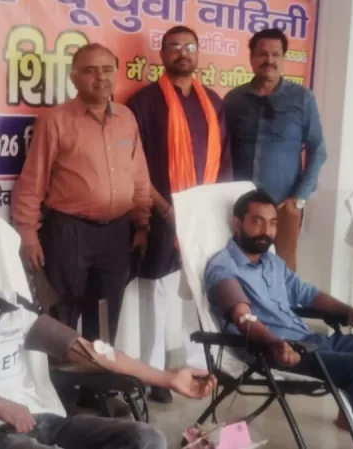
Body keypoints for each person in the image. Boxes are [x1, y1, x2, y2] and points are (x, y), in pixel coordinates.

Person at [0, 220, 215, 449]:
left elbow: (93, 352)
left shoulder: (13, 310)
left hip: (41, 422)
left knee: (147, 439)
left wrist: (167, 378)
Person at [204, 190, 353, 449]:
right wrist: (274, 344)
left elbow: (309, 295)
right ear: (237, 223)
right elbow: (243, 318)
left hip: (311, 341)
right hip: (274, 351)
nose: (266, 231)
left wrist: (348, 311)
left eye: (272, 223)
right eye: (257, 221)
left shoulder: (272, 263)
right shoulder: (223, 267)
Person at [12, 44, 151, 411]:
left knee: (105, 316)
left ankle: (99, 391)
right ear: (74, 77)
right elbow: (32, 181)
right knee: (63, 314)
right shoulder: (56, 120)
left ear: (115, 73)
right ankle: (60, 397)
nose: (100, 77)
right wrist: (28, 233)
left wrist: (142, 221)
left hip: (117, 233)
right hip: (68, 231)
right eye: (90, 70)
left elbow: (139, 176)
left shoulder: (126, 118)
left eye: (106, 69)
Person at [124, 26, 231, 403]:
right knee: (156, 292)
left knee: (201, 290)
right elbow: (135, 166)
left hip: (203, 215)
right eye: (174, 47)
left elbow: (225, 161)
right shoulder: (143, 102)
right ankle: (155, 374)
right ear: (162, 54)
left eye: (189, 46)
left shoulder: (213, 102)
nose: (182, 53)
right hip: (161, 215)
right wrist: (164, 208)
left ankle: (198, 364)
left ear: (197, 53)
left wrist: (217, 211)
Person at [223, 28, 327, 271]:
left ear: (283, 58)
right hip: (242, 203)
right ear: (251, 58)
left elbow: (318, 149)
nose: (269, 60)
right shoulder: (234, 100)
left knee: (283, 268)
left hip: (284, 204)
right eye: (262, 54)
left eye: (275, 54)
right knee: (240, 266)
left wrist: (300, 197)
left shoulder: (302, 98)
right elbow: (222, 149)